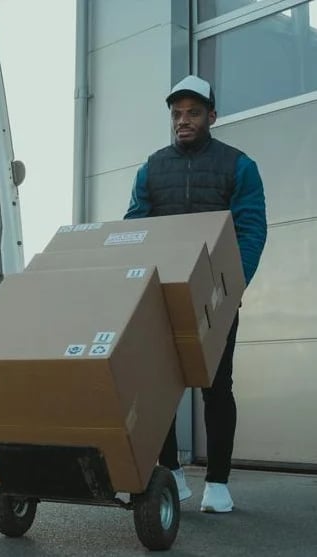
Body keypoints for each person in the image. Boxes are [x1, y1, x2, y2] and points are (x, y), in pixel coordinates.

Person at [124, 75, 267, 513]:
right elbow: (135, 226)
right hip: (161, 296)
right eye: (177, 114)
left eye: (193, 113)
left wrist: (233, 287)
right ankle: (172, 473)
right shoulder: (151, 168)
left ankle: (218, 484)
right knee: (159, 387)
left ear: (212, 116)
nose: (183, 121)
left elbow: (251, 230)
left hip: (216, 298)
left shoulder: (238, 166)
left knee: (216, 387)